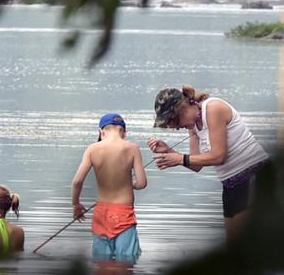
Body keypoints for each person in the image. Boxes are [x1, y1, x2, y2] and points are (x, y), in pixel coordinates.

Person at [149, 85, 270, 243]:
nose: (175, 128)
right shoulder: (193, 126)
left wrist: (180, 159)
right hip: (231, 183)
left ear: (181, 109)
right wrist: (170, 152)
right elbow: (196, 164)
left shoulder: (213, 109)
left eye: (172, 122)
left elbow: (219, 156)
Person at [71, 113, 147, 262]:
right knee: (127, 261)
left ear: (101, 131)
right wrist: (129, 184)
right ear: (124, 132)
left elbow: (77, 182)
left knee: (101, 263)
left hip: (101, 213)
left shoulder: (92, 149)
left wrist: (76, 204)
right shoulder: (132, 148)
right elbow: (142, 183)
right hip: (124, 214)